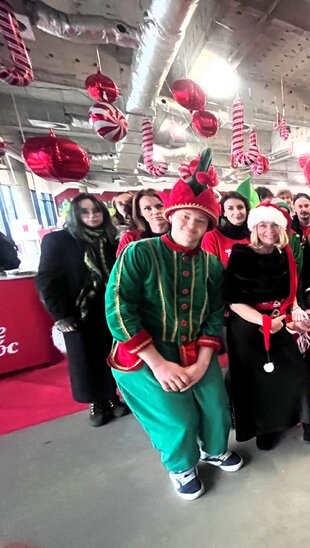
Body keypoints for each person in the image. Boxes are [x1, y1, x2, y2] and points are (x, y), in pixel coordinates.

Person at [105, 150, 241, 500]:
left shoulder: (212, 265)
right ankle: (181, 465)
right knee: (176, 418)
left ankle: (214, 450)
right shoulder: (139, 252)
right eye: (185, 217)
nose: (191, 226)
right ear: (171, 216)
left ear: (209, 226)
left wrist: (204, 362)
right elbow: (118, 309)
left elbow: (214, 313)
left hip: (196, 347)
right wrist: (159, 364)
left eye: (201, 221)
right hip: (144, 353)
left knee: (215, 405)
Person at [225, 201, 310, 451]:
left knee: (298, 373)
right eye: (263, 225)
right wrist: (266, 322)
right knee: (260, 382)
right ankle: (266, 429)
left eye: (274, 225)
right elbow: (234, 302)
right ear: (255, 228)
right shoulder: (241, 254)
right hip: (248, 328)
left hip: (277, 321)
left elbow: (291, 293)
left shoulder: (282, 254)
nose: (269, 230)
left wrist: (296, 309)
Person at [37, 193, 127, 427]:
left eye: (96, 211)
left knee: (111, 354)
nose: (92, 216)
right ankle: (96, 403)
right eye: (85, 212)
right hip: (79, 311)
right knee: (85, 360)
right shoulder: (59, 240)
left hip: (109, 309)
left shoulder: (110, 240)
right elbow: (47, 280)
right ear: (75, 215)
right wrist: (61, 316)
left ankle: (112, 397)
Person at [201, 191, 250, 267]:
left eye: (240, 207)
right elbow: (209, 268)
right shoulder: (212, 236)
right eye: (230, 208)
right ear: (224, 213)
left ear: (246, 210)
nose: (237, 212)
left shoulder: (254, 234)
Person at [116, 189, 168, 256]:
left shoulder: (180, 234)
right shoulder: (130, 238)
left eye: (160, 206)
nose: (155, 212)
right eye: (147, 208)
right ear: (140, 212)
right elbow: (122, 261)